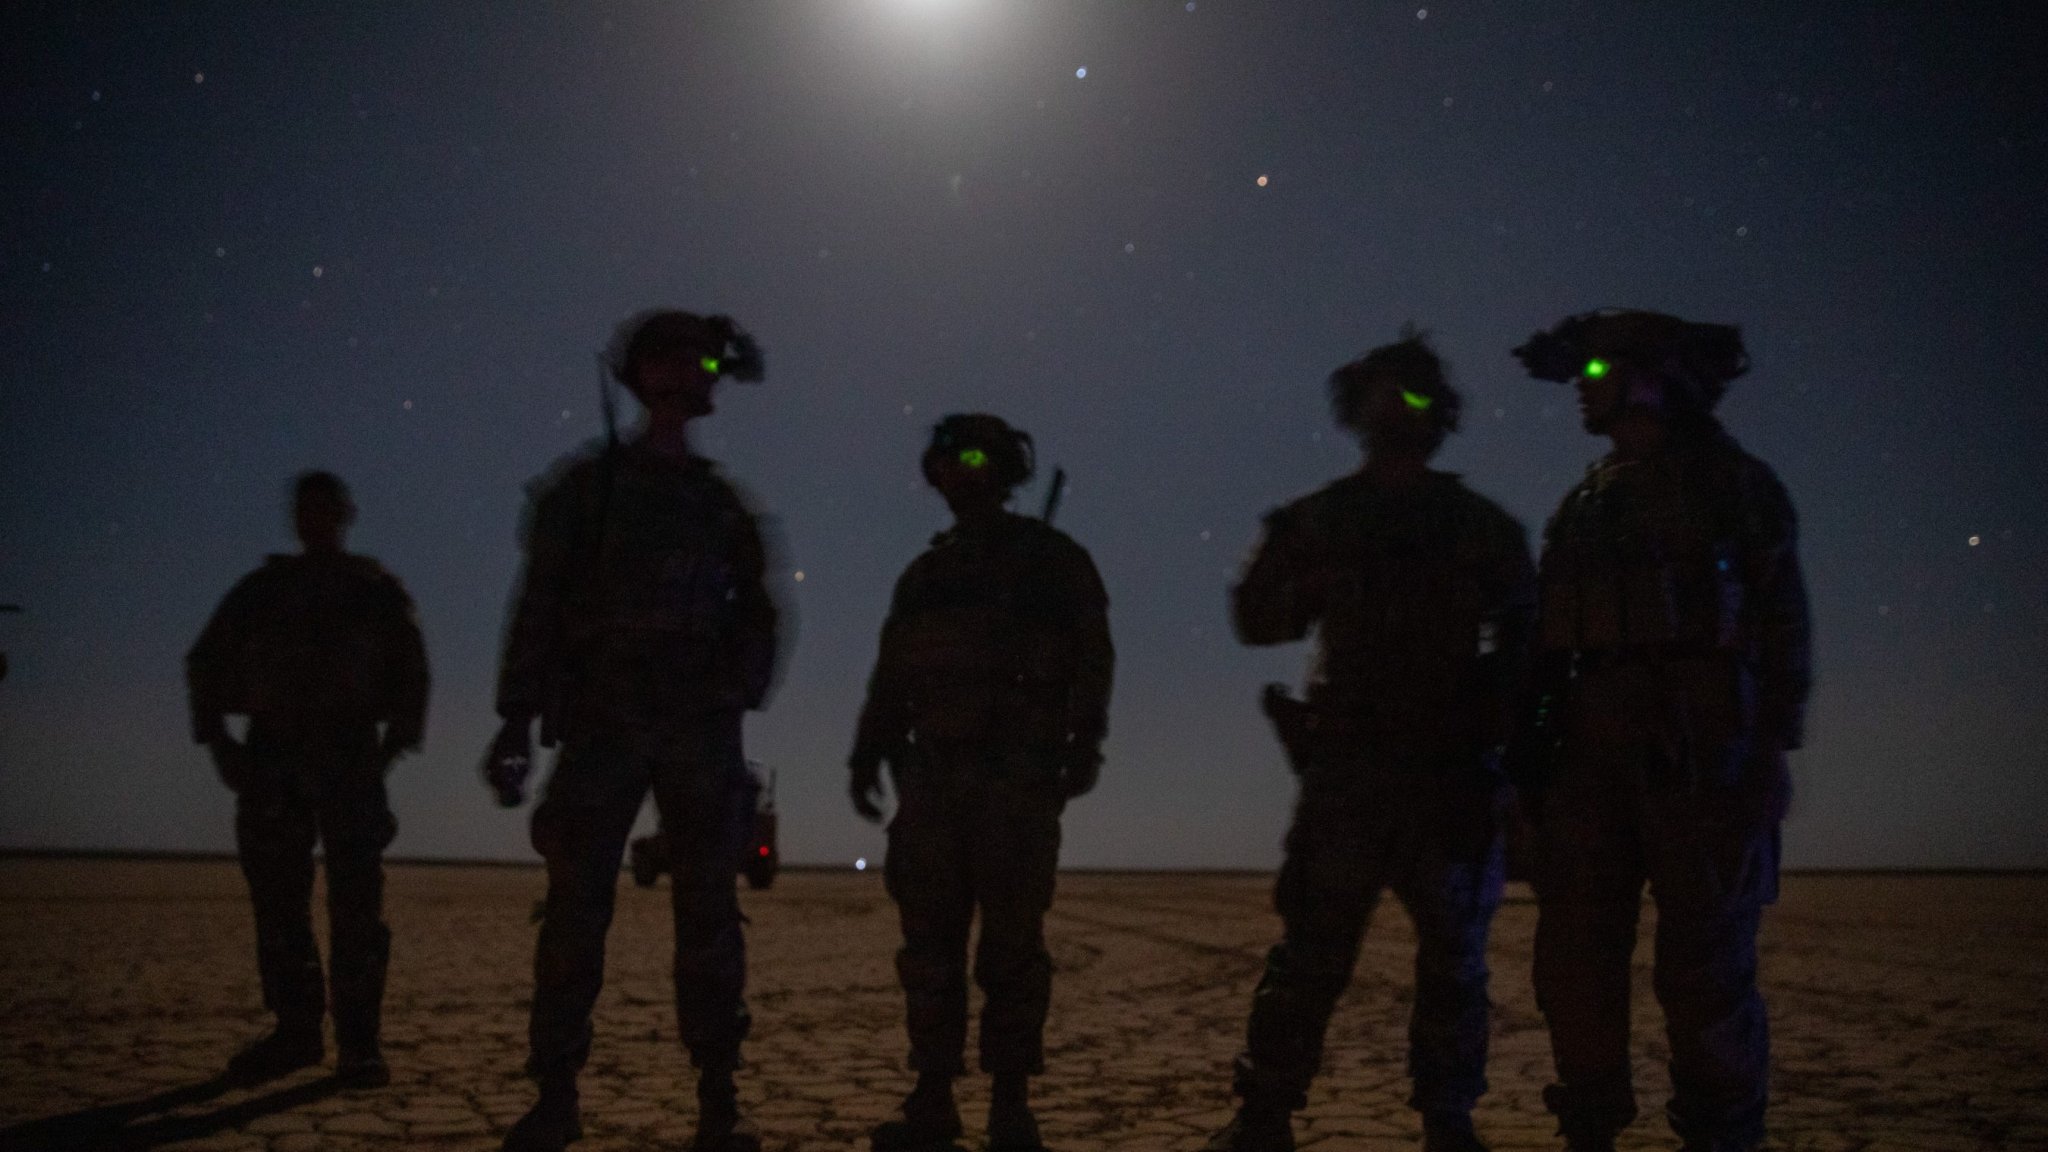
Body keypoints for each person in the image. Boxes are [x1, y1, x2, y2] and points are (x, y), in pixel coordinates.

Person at [1204, 334, 1535, 1152]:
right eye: (1386, 397)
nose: (1400, 414)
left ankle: (1448, 1118)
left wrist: (1502, 725)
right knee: (1312, 953)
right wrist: (1313, 587)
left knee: (1455, 961)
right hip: (1349, 771)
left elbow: (1531, 637)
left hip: (1447, 774)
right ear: (1359, 410)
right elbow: (1254, 619)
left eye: (1416, 398)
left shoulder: (1477, 525)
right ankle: (1266, 1113)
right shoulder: (1321, 519)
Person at [1509, 310, 1810, 1152]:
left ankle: (1720, 1135)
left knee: (1705, 971)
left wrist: (1771, 751)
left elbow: (1782, 620)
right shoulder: (1583, 505)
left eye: (1601, 375)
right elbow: (1547, 653)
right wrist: (1529, 769)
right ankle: (1590, 1125)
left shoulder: (1733, 485)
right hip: (1585, 764)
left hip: (1702, 753)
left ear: (1659, 379)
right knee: (1573, 962)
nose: (1583, 390)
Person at [485, 310, 780, 1152]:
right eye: (671, 359)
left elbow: (759, 615)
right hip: (605, 724)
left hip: (696, 731)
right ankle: (555, 1094)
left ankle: (719, 1098)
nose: (690, 375)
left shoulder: (721, 507)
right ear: (641, 373)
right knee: (575, 911)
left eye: (700, 363)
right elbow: (537, 606)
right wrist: (515, 717)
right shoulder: (588, 492)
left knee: (710, 918)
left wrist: (731, 692)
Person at [849, 414, 1114, 1152]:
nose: (960, 472)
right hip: (933, 782)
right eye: (945, 460)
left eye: (974, 457)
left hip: (1016, 783)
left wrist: (1082, 747)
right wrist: (865, 756)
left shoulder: (1054, 561)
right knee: (928, 949)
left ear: (1004, 469)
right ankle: (932, 1097)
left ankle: (1009, 1103)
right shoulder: (926, 576)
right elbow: (893, 674)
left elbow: (1094, 661)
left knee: (1011, 949)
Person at [185, 470, 429, 1089]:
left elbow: (411, 672)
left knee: (356, 905)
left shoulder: (372, 589)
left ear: (345, 514)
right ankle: (296, 1032)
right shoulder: (264, 590)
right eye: (304, 508)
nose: (314, 518)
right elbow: (206, 661)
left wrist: (390, 751)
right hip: (273, 757)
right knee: (279, 902)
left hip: (350, 755)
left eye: (326, 508)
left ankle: (359, 1042)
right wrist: (219, 743)